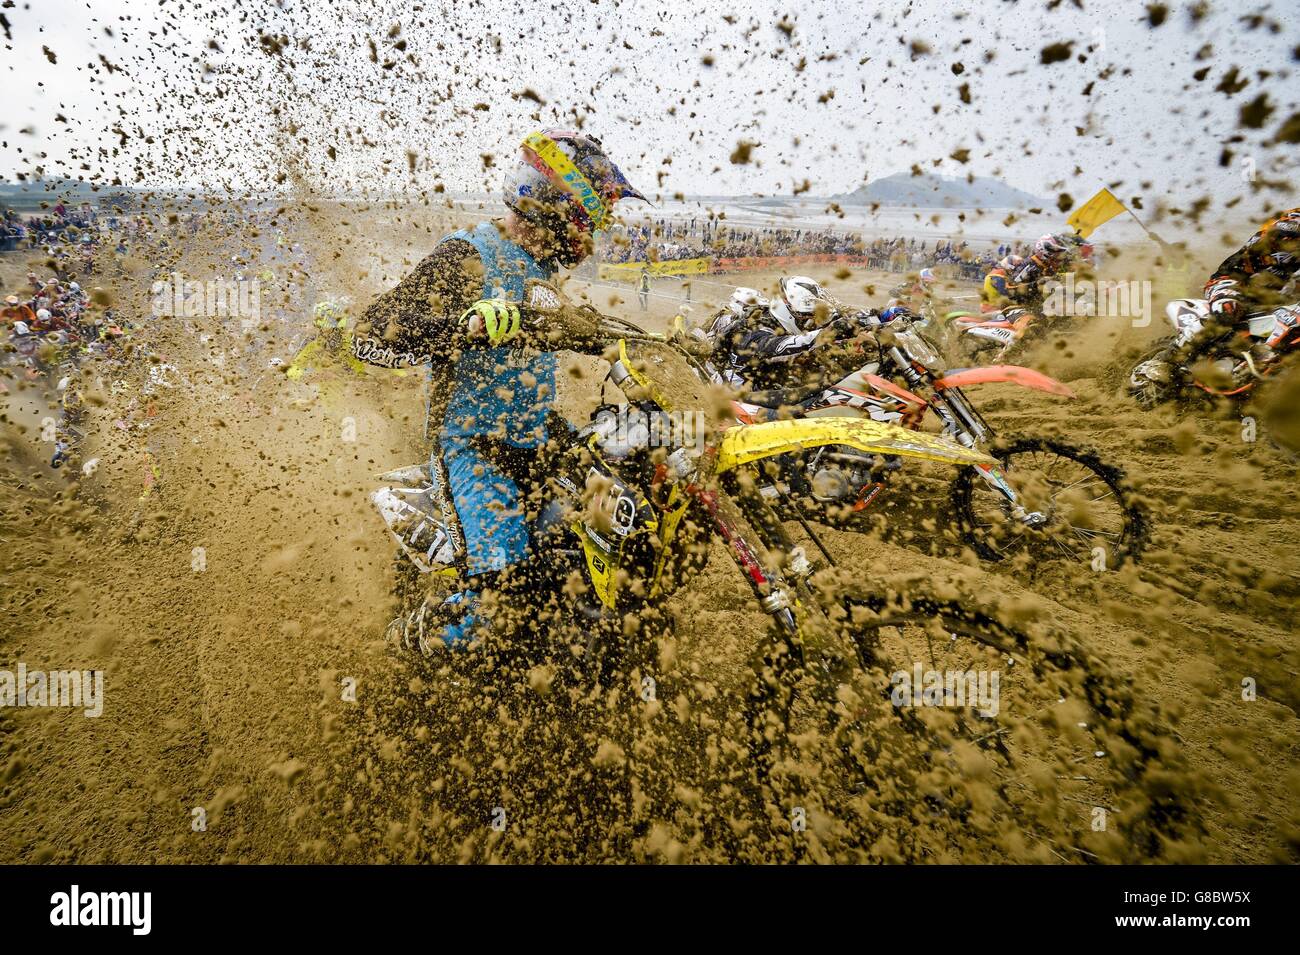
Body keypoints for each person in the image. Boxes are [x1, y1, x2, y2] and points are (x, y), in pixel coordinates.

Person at [344, 129, 646, 651]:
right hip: (473, 447)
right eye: (588, 220)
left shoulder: (540, 269)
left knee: (625, 521)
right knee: (500, 601)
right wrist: (462, 328)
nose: (590, 237)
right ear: (558, 209)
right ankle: (399, 645)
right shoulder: (470, 254)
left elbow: (575, 327)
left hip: (541, 436)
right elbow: (371, 334)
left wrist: (656, 346)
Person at [1133, 208, 1300, 399]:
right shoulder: (1283, 228)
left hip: (1270, 300)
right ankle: (1166, 361)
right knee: (1228, 310)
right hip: (1232, 282)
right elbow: (1280, 227)